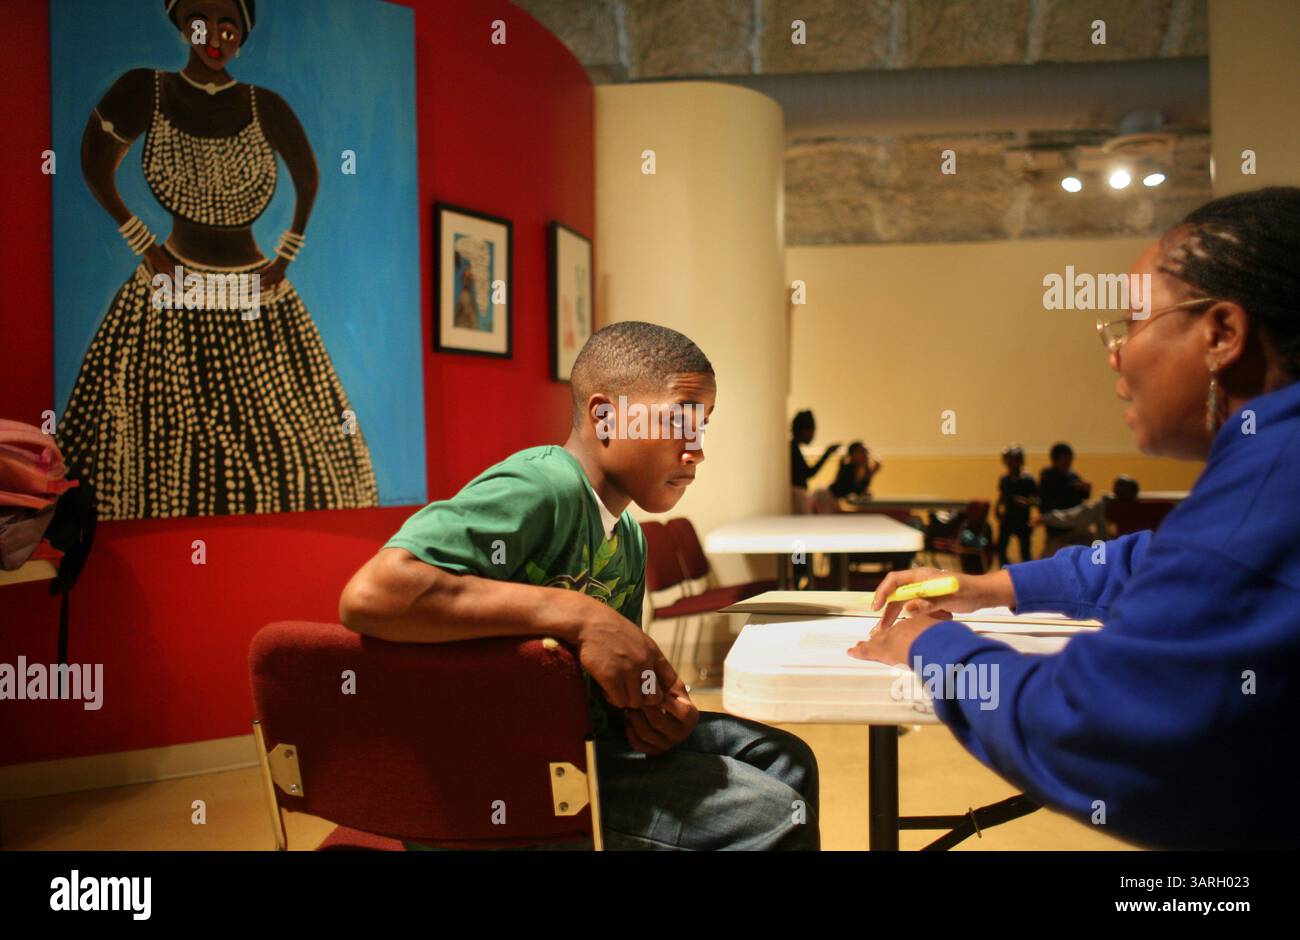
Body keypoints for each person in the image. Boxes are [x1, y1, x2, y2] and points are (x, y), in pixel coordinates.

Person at [851, 187, 1300, 849]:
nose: (1116, 356)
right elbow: (1161, 561)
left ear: (1223, 334)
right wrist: (992, 587)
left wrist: (930, 646)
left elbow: (1092, 731)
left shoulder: (1266, 487)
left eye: (1132, 326)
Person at [340, 321, 819, 850]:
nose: (697, 449)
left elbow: (606, 686)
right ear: (606, 418)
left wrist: (653, 710)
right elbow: (374, 594)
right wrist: (579, 613)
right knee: (775, 815)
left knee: (785, 758)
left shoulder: (628, 539)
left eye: (702, 424)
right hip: (491, 779)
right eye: (679, 420)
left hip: (578, 744)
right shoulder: (542, 487)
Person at [58, 0, 377, 520]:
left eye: (229, 24)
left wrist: (285, 256)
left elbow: (308, 176)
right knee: (158, 434)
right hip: (171, 283)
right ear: (183, 26)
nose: (215, 35)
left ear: (242, 35)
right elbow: (94, 161)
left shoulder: (262, 104)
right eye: (201, 22)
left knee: (286, 441)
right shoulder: (148, 89)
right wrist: (145, 245)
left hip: (257, 292)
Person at [1039, 474, 1140, 554]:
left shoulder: (1141, 508)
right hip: (1105, 551)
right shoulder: (1104, 506)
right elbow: (1077, 516)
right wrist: (1048, 518)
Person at [994, 444, 1036, 565]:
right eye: (1010, 460)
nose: (1013, 463)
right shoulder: (1004, 480)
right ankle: (1006, 572)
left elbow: (1036, 499)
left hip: (1022, 519)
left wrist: (1027, 502)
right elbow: (1002, 497)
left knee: (1025, 552)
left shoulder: (1028, 480)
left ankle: (1026, 576)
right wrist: (997, 510)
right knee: (1001, 549)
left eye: (1016, 460)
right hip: (1007, 519)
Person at [789, 410, 839, 512]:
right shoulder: (792, 448)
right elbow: (809, 473)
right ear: (803, 430)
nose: (812, 435)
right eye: (812, 430)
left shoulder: (794, 448)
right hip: (798, 495)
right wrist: (827, 454)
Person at [1037, 442, 1090, 515]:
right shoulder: (1047, 475)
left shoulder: (1072, 475)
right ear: (1055, 460)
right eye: (1065, 461)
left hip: (1072, 518)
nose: (1068, 464)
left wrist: (1085, 489)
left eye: (1070, 461)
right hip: (1054, 518)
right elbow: (1053, 494)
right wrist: (1072, 488)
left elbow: (1084, 496)